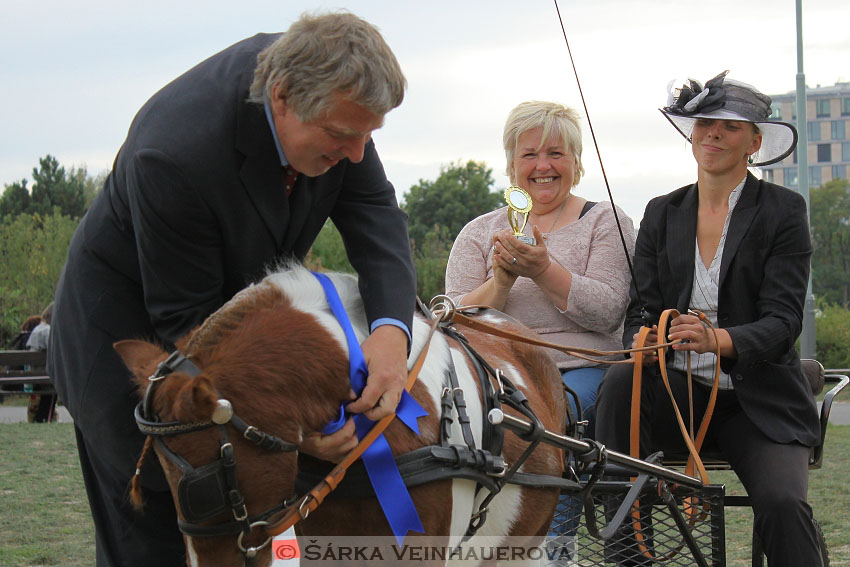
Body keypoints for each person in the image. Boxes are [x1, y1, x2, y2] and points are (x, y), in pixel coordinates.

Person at [48, 11, 416, 566]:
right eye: (344, 136)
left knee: (257, 520)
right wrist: (285, 426)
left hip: (232, 324)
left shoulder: (337, 96)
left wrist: (392, 332)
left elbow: (373, 210)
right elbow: (189, 319)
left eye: (370, 135)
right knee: (166, 515)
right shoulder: (172, 153)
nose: (359, 154)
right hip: (134, 336)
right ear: (284, 97)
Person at [595, 71, 821, 567]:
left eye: (730, 126)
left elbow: (784, 322)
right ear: (691, 135)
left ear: (754, 142)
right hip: (677, 396)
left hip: (757, 404)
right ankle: (629, 552)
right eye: (704, 124)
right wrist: (641, 336)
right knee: (621, 378)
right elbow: (641, 308)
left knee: (784, 504)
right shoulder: (662, 211)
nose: (713, 133)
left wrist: (717, 338)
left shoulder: (784, 210)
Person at [444, 100, 635, 558]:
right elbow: (451, 318)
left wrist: (545, 269)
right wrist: (502, 281)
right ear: (512, 165)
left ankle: (551, 549)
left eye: (556, 153)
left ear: (576, 162)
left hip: (580, 368)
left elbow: (609, 312)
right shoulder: (479, 232)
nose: (543, 165)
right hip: (492, 373)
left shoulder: (606, 221)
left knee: (545, 424)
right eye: (529, 154)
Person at [26, 301, 57, 422]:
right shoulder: (48, 330)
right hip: (45, 373)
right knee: (53, 388)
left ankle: (41, 417)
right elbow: (54, 351)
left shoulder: (37, 329)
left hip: (34, 372)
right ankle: (45, 418)